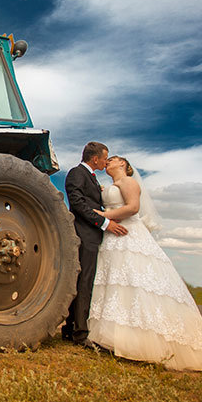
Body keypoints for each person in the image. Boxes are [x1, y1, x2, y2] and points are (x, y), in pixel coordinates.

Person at [88, 156, 202, 371]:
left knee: (136, 282)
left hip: (127, 233)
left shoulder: (129, 183)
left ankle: (148, 341)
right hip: (112, 236)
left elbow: (132, 208)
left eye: (113, 160)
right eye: (107, 159)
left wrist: (104, 215)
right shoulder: (111, 185)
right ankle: (116, 338)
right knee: (117, 283)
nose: (108, 162)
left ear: (123, 165)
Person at [63, 142, 128, 347]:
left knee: (85, 281)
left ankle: (70, 329)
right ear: (95, 159)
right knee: (84, 283)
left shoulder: (90, 176)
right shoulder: (76, 173)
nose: (106, 161)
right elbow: (78, 204)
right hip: (85, 234)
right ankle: (79, 334)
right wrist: (105, 223)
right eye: (104, 158)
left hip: (92, 235)